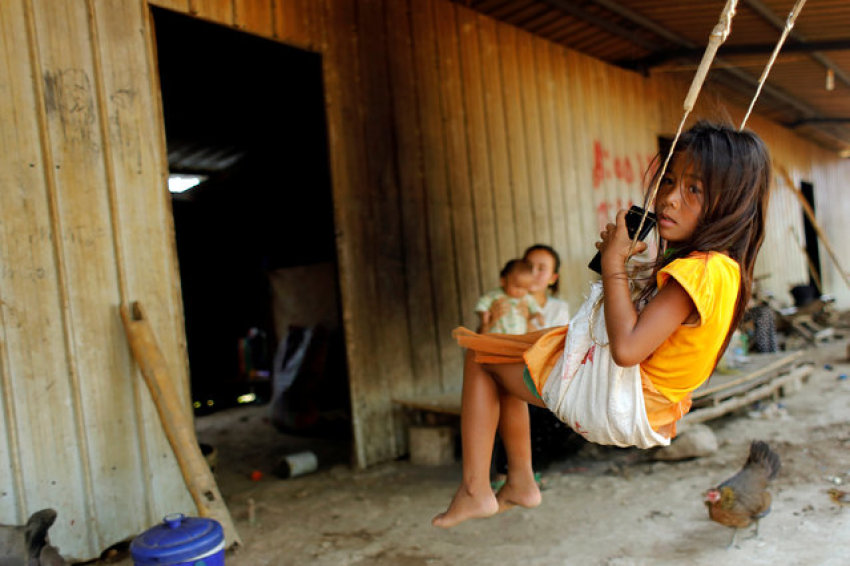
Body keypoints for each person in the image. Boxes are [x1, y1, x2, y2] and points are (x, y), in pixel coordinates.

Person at [432, 121, 771, 528]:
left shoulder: (701, 271)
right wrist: (622, 266)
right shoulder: (722, 270)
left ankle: (476, 489)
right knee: (506, 348)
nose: (669, 198)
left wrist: (613, 264)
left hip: (625, 399)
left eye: (693, 189)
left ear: (730, 204)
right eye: (669, 181)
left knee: (479, 358)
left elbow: (627, 350)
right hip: (644, 400)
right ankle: (519, 481)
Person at [475, 259, 544, 335]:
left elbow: (535, 307)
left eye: (525, 288)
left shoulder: (526, 298)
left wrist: (538, 315)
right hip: (498, 334)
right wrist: (484, 314)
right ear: (503, 281)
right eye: (517, 286)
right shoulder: (495, 295)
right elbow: (482, 303)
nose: (520, 291)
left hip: (519, 334)